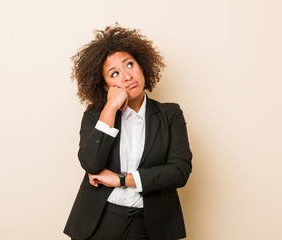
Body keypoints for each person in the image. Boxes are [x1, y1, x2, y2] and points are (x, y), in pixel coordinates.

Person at [64, 24, 192, 240]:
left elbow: (179, 171)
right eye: (114, 73)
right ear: (106, 86)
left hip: (150, 224)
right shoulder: (95, 116)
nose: (126, 76)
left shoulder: (170, 114)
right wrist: (110, 108)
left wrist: (122, 179)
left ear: (141, 66)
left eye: (129, 65)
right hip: (99, 220)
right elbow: (91, 165)